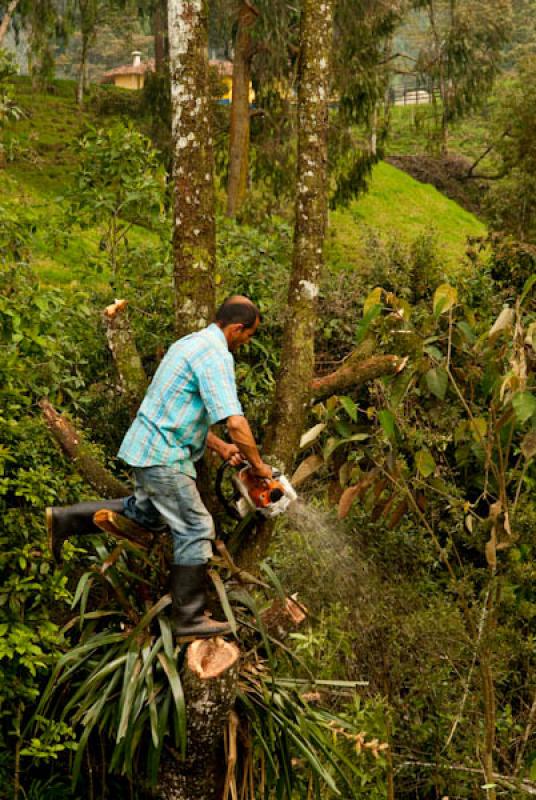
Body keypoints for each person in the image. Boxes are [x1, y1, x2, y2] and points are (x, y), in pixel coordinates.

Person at [47, 295, 271, 638]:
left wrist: (222, 448)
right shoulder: (215, 356)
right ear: (237, 328)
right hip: (165, 456)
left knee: (146, 515)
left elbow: (180, 412)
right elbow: (236, 423)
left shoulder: (190, 344)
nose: (247, 342)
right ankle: (189, 618)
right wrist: (259, 467)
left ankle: (65, 519)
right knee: (196, 526)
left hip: (148, 448)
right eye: (249, 335)